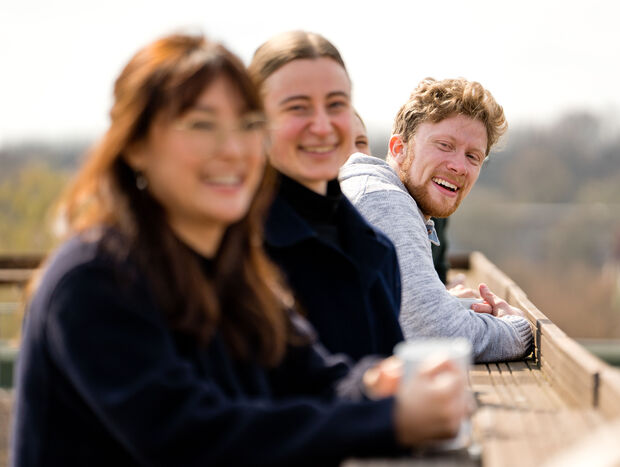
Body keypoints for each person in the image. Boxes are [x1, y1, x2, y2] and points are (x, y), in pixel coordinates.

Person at [11, 34, 470, 467]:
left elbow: (312, 375)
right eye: (202, 126)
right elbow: (190, 438)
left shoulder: (231, 264)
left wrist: (372, 384)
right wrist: (388, 419)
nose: (232, 149)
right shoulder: (95, 278)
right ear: (135, 146)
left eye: (246, 126)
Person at [339, 78, 533, 362]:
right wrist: (518, 329)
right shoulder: (382, 200)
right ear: (398, 148)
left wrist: (449, 306)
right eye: (444, 145)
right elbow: (438, 334)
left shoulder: (376, 194)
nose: (459, 166)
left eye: (473, 156)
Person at [248, 31, 403, 361]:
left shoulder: (377, 249)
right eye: (297, 108)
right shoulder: (238, 249)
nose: (321, 126)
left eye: (336, 104)